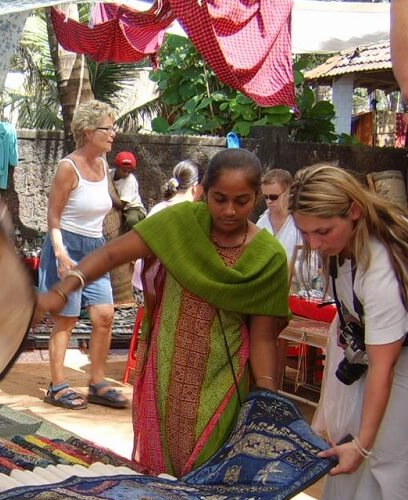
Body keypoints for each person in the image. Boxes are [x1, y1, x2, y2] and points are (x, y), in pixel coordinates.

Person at [37, 148, 290, 475]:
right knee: (161, 476)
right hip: (166, 373)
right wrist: (64, 287)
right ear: (201, 193)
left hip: (223, 381)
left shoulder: (268, 257)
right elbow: (114, 254)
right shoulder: (180, 225)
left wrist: (266, 398)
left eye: (241, 201)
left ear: (256, 197)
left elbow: (263, 339)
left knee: (207, 477)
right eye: (219, 199)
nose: (229, 210)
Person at [288, 164, 408, 500]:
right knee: (351, 453)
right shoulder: (344, 251)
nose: (314, 243)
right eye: (305, 233)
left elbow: (385, 366)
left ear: (354, 211)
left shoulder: (380, 268)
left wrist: (364, 444)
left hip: (394, 368)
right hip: (372, 360)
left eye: (323, 232)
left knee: (387, 462)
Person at [39, 99, 128, 411]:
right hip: (67, 246)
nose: (113, 133)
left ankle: (97, 382)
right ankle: (57, 385)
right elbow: (53, 216)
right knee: (66, 319)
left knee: (104, 315)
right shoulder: (68, 167)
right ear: (88, 132)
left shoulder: (104, 166)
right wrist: (61, 252)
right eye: (107, 128)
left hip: (95, 247)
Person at [257, 169, 299, 264]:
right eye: (266, 197)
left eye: (274, 197)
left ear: (288, 193)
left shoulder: (301, 224)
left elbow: (311, 266)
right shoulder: (260, 224)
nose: (269, 201)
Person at [110, 151, 145, 227]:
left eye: (129, 171)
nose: (126, 174)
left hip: (132, 208)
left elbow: (122, 205)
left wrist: (108, 194)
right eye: (124, 170)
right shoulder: (110, 174)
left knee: (131, 220)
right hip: (118, 205)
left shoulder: (130, 180)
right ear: (117, 167)